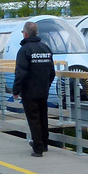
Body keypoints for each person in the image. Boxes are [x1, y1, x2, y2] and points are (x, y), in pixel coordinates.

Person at [11, 21, 56, 158]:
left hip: (30, 91)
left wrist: (16, 90)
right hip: (43, 90)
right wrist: (46, 85)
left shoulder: (24, 50)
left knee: (33, 119)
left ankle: (37, 148)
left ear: (25, 33)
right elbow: (51, 72)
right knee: (43, 117)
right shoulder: (45, 48)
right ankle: (44, 143)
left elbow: (21, 73)